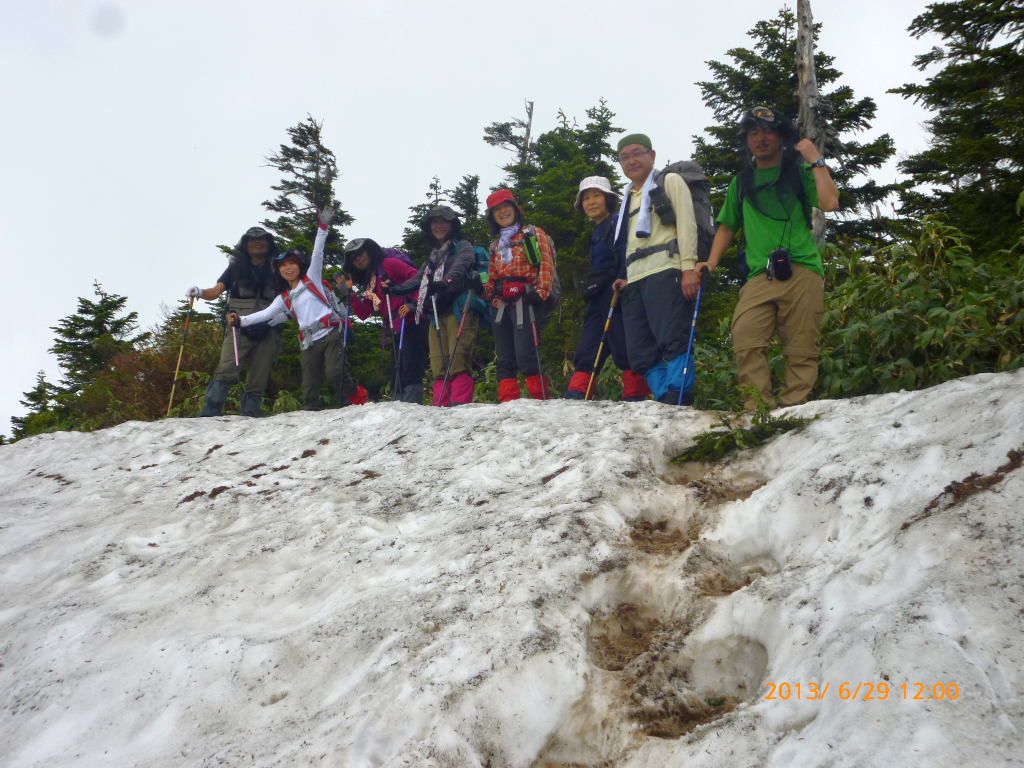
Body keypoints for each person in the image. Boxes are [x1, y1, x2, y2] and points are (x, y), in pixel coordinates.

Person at [695, 106, 839, 409]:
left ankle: (793, 410)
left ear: (781, 137)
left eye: (768, 131)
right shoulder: (741, 182)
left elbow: (829, 201)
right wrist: (710, 262)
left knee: (801, 348)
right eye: (753, 133)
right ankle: (757, 411)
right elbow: (726, 227)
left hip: (803, 270)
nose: (761, 138)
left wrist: (816, 160)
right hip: (761, 274)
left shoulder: (800, 172)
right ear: (746, 140)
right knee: (746, 338)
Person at [228, 209, 366, 410]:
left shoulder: (312, 279)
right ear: (279, 271)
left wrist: (323, 227)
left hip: (331, 333)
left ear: (299, 265)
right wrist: (241, 320)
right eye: (283, 265)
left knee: (335, 374)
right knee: (309, 386)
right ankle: (311, 418)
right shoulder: (283, 297)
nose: (288, 268)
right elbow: (266, 314)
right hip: (308, 340)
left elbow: (317, 252)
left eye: (291, 263)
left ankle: (359, 397)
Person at [613, 133, 700, 405]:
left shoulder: (669, 181)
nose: (631, 160)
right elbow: (627, 242)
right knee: (639, 349)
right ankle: (665, 395)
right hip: (636, 276)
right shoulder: (627, 197)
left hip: (667, 268)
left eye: (637, 153)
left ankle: (679, 393)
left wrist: (688, 268)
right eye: (624, 157)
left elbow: (687, 223)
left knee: (673, 337)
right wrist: (626, 277)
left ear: (652, 156)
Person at [563, 177, 652, 402]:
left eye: (596, 196)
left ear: (608, 199)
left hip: (617, 290)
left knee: (622, 340)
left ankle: (636, 392)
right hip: (598, 293)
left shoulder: (616, 221)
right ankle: (578, 392)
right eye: (586, 198)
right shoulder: (597, 230)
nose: (591, 202)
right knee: (590, 341)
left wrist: (623, 277)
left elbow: (626, 251)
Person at [389, 205, 485, 406]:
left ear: (452, 225)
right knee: (438, 363)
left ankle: (459, 404)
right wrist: (394, 290)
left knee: (458, 360)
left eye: (444, 221)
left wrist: (445, 282)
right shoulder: (434, 256)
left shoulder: (462, 246)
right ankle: (440, 405)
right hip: (436, 312)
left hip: (460, 308)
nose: (439, 226)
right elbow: (417, 279)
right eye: (435, 222)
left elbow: (463, 264)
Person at [185, 226, 283, 417]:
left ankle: (250, 416)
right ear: (245, 245)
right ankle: (210, 411)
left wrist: (282, 316)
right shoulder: (235, 268)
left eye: (262, 239)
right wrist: (199, 292)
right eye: (252, 240)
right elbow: (215, 293)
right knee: (227, 369)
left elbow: (291, 296)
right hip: (236, 327)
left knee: (258, 377)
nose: (257, 242)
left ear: (269, 243)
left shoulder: (278, 269)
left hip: (268, 329)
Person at [479, 190, 558, 402]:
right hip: (500, 305)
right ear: (492, 216)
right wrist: (480, 289)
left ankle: (541, 401)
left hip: (527, 301)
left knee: (526, 356)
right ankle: (508, 404)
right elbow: (492, 282)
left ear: (515, 208)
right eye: (497, 209)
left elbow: (546, 265)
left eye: (506, 206)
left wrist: (540, 293)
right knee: (504, 359)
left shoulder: (533, 233)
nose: (503, 211)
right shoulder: (495, 246)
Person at [343, 237, 427, 404]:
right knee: (397, 373)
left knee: (411, 370)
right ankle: (400, 410)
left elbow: (419, 278)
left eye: (360, 253)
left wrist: (415, 304)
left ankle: (412, 409)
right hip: (396, 326)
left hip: (413, 320)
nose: (358, 259)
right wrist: (350, 294)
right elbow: (363, 313)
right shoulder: (371, 281)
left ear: (370, 250)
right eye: (353, 258)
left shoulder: (389, 264)